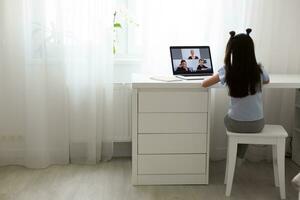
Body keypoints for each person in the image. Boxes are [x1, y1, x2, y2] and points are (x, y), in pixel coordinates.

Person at [202, 29, 270, 165]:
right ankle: (239, 156)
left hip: (236, 124)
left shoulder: (228, 70)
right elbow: (267, 80)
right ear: (251, 50)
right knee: (247, 121)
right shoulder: (259, 70)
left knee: (231, 118)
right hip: (257, 125)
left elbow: (205, 84)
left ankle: (235, 157)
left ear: (232, 51)